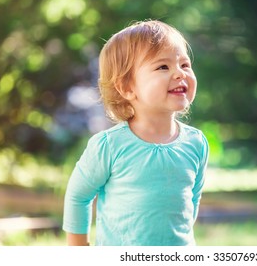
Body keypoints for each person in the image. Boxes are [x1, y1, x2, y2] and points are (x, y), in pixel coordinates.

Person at [62, 20, 209, 246]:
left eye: (185, 64)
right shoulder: (110, 145)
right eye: (163, 67)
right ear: (127, 87)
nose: (180, 74)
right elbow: (78, 197)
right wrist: (78, 249)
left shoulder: (196, 143)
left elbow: (192, 200)